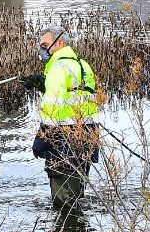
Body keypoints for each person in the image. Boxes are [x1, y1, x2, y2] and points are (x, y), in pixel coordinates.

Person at [21, 25, 102, 212]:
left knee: (62, 198)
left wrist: (41, 138)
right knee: (75, 190)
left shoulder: (58, 67)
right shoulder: (83, 65)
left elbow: (53, 106)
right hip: (87, 134)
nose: (41, 49)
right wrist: (42, 84)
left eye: (44, 44)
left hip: (62, 137)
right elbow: (75, 95)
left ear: (60, 43)